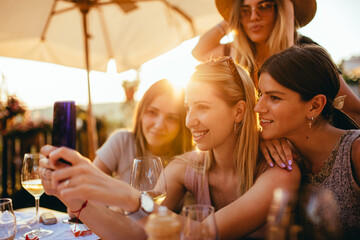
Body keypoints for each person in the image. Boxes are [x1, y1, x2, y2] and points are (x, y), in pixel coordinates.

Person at [39, 57, 300, 239]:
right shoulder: (185, 167)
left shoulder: (279, 173)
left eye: (203, 107)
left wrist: (129, 197)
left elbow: (204, 234)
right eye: (188, 107)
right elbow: (137, 233)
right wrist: (76, 200)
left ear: (239, 111)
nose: (189, 121)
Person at [192, 0, 360, 136]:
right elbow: (199, 52)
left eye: (263, 6)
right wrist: (232, 18)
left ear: (280, 9)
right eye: (245, 10)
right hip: (257, 149)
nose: (254, 17)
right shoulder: (238, 53)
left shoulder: (307, 50)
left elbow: (354, 110)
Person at [255, 44, 360, 239]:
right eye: (261, 94)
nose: (258, 108)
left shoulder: (356, 152)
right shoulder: (276, 153)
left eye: (274, 97)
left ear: (314, 105)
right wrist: (258, 141)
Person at [94, 79, 193, 182]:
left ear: (183, 124)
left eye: (171, 118)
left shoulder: (190, 160)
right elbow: (89, 184)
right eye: (152, 112)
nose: (159, 125)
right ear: (141, 113)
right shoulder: (122, 141)